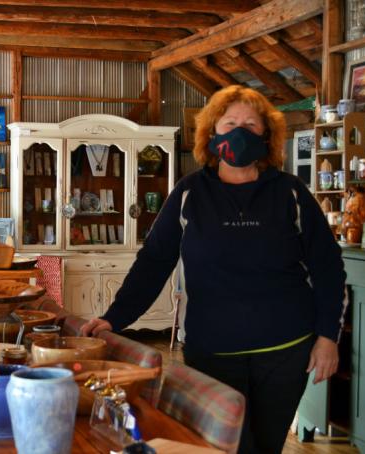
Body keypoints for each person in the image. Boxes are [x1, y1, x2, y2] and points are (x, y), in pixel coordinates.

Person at [80, 85, 346, 454]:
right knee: (225, 448)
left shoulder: (291, 192)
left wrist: (327, 336)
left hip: (286, 351)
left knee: (266, 447)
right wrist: (116, 317)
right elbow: (155, 261)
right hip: (211, 352)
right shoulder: (190, 192)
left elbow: (328, 267)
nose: (240, 132)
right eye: (230, 123)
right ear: (212, 133)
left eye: (251, 125)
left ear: (267, 136)